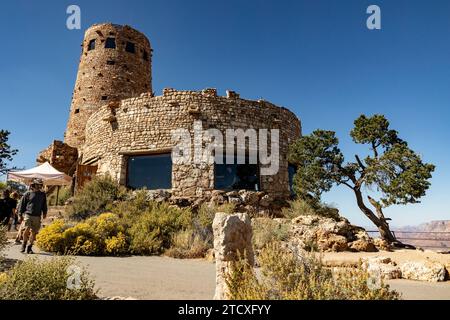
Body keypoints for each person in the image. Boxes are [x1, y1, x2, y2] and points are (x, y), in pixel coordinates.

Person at [18, 178, 47, 254]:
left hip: (37, 216)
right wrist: (20, 215)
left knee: (34, 232)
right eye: (38, 184)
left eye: (40, 185)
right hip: (28, 214)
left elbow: (44, 204)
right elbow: (22, 205)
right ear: (34, 184)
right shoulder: (27, 193)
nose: (39, 186)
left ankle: (29, 247)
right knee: (26, 229)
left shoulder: (43, 194)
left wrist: (45, 212)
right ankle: (23, 244)